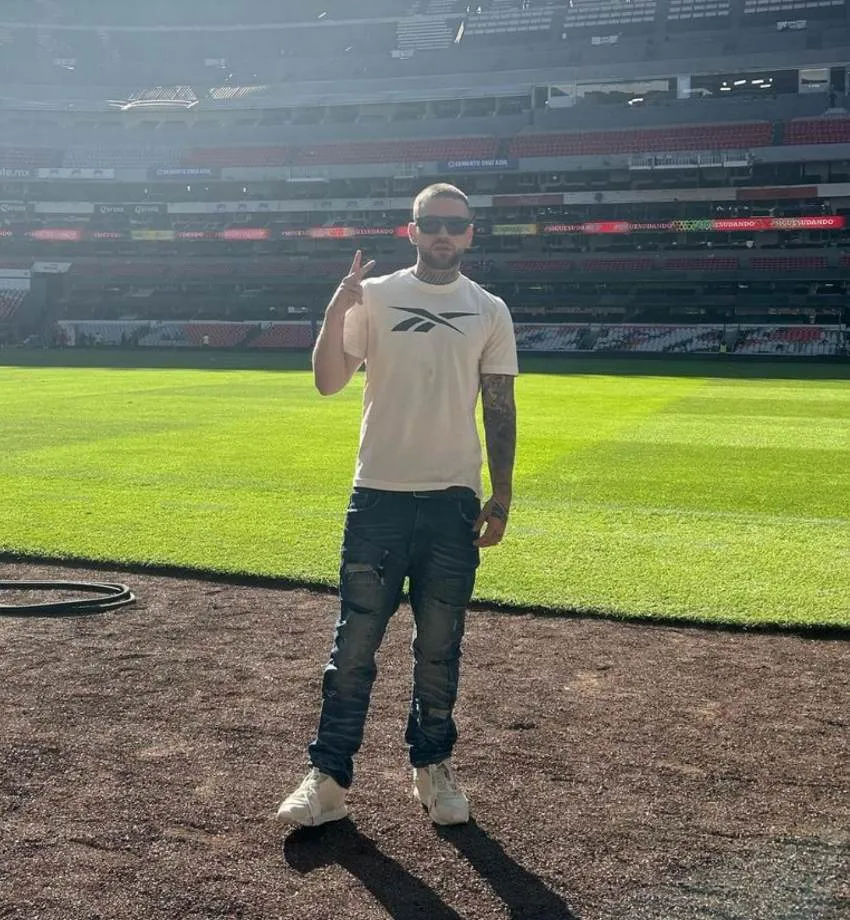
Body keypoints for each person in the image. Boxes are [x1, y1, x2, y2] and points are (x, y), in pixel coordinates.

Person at [277, 183, 518, 828]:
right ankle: (328, 779)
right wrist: (335, 313)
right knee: (354, 644)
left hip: (452, 501)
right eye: (431, 224)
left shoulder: (489, 309)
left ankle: (432, 767)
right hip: (378, 496)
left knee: (440, 646)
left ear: (470, 235)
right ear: (411, 231)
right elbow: (329, 382)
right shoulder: (374, 297)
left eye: (454, 226)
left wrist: (502, 495)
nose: (443, 234)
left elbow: (499, 406)